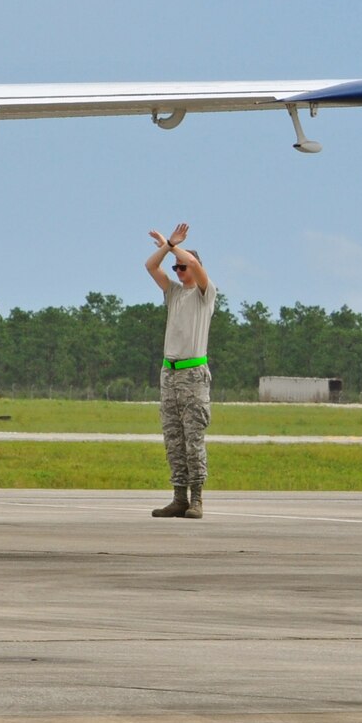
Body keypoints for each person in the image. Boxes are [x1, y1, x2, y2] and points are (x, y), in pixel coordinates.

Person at [145, 222, 215, 518]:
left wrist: (174, 245)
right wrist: (166, 247)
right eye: (175, 268)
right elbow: (150, 266)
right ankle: (179, 497)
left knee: (193, 438)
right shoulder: (173, 293)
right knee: (173, 438)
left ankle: (197, 499)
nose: (178, 272)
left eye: (181, 268)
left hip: (192, 375)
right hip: (169, 373)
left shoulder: (205, 292)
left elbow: (195, 264)